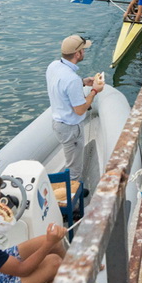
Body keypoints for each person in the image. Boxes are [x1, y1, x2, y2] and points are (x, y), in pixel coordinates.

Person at [46, 35, 104, 179]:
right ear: (77, 54)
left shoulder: (53, 66)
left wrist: (83, 81)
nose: (84, 52)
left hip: (58, 123)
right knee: (75, 170)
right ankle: (72, 197)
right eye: (83, 50)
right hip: (70, 128)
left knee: (72, 161)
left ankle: (72, 189)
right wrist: (95, 90)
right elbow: (80, 109)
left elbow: (62, 86)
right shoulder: (72, 79)